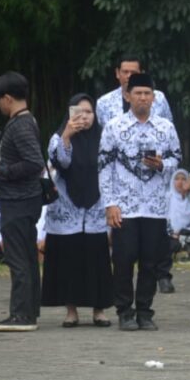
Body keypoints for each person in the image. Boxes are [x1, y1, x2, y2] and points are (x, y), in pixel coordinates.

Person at [98, 73, 181, 331]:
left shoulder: (165, 127)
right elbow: (103, 166)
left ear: (154, 98)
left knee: (150, 261)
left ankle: (145, 311)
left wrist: (162, 164)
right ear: (127, 96)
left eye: (147, 93)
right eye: (137, 93)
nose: (142, 98)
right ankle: (124, 310)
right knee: (123, 259)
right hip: (125, 205)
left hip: (155, 206)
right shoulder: (114, 127)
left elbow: (177, 158)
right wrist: (110, 203)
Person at [0, 72, 45, 332]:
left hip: (19, 201)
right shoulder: (20, 122)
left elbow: (34, 163)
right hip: (22, 200)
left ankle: (22, 316)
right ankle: (28, 311)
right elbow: (15, 149)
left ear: (7, 98)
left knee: (18, 259)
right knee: (26, 257)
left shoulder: (23, 124)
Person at [40, 94, 113, 327]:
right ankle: (71, 311)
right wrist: (67, 136)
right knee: (69, 260)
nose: (84, 117)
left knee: (96, 259)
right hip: (67, 211)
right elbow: (61, 162)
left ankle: (99, 310)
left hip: (95, 210)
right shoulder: (58, 138)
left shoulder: (105, 138)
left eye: (89, 112)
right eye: (79, 112)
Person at [95, 55, 174, 126]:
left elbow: (168, 128)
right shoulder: (104, 103)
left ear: (141, 74)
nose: (129, 76)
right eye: (125, 72)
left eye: (133, 72)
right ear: (117, 73)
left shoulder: (159, 98)